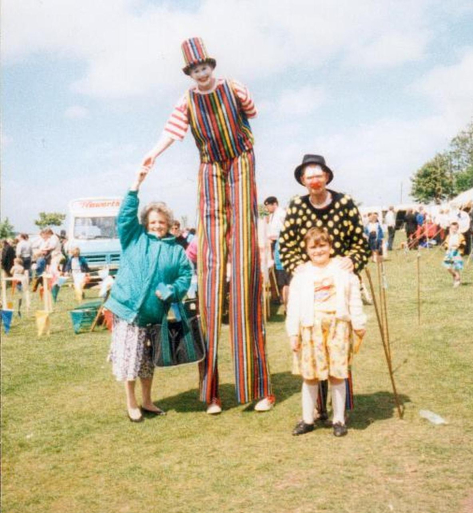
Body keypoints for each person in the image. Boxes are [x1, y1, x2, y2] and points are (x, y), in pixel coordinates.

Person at [140, 37, 274, 414]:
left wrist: (238, 112)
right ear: (189, 73)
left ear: (211, 67)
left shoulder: (233, 86)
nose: (201, 74)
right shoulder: (185, 101)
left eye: (204, 68)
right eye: (195, 70)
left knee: (245, 268)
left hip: (241, 162)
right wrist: (153, 154)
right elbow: (172, 132)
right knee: (212, 275)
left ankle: (261, 388)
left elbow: (253, 111)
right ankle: (212, 392)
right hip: (210, 168)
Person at [279, 153, 370, 422]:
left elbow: (360, 242)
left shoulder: (345, 203)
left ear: (327, 176)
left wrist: (351, 261)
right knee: (312, 353)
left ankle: (340, 411)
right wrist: (299, 268)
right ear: (303, 181)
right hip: (310, 284)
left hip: (340, 281)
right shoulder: (296, 206)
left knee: (338, 354)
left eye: (319, 175)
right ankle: (317, 409)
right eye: (309, 177)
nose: (315, 181)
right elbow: (286, 246)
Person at [105, 167, 192, 422]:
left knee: (147, 361)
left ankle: (148, 400)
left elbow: (184, 277)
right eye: (153, 222)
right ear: (146, 223)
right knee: (129, 359)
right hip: (127, 310)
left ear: (169, 225)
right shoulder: (134, 238)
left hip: (153, 314)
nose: (157, 226)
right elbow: (124, 216)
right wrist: (135, 186)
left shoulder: (176, 252)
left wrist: (171, 290)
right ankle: (131, 403)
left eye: (162, 223)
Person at [286, 228, 366, 437]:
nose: (318, 250)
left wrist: (358, 322)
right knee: (310, 376)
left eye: (322, 246)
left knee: (338, 374)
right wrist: (293, 333)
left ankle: (338, 419)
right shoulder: (302, 274)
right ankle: (307, 419)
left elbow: (354, 299)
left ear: (330, 247)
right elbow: (293, 306)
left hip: (338, 327)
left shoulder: (342, 271)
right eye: (313, 247)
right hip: (310, 330)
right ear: (306, 250)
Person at [442, 222, 465, 288]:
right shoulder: (449, 236)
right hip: (449, 252)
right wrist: (447, 248)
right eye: (452, 228)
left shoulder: (460, 235)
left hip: (456, 252)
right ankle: (455, 275)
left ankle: (457, 281)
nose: (453, 229)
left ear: (457, 228)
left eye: (455, 228)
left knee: (456, 267)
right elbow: (446, 244)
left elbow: (463, 243)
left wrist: (458, 246)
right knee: (447, 267)